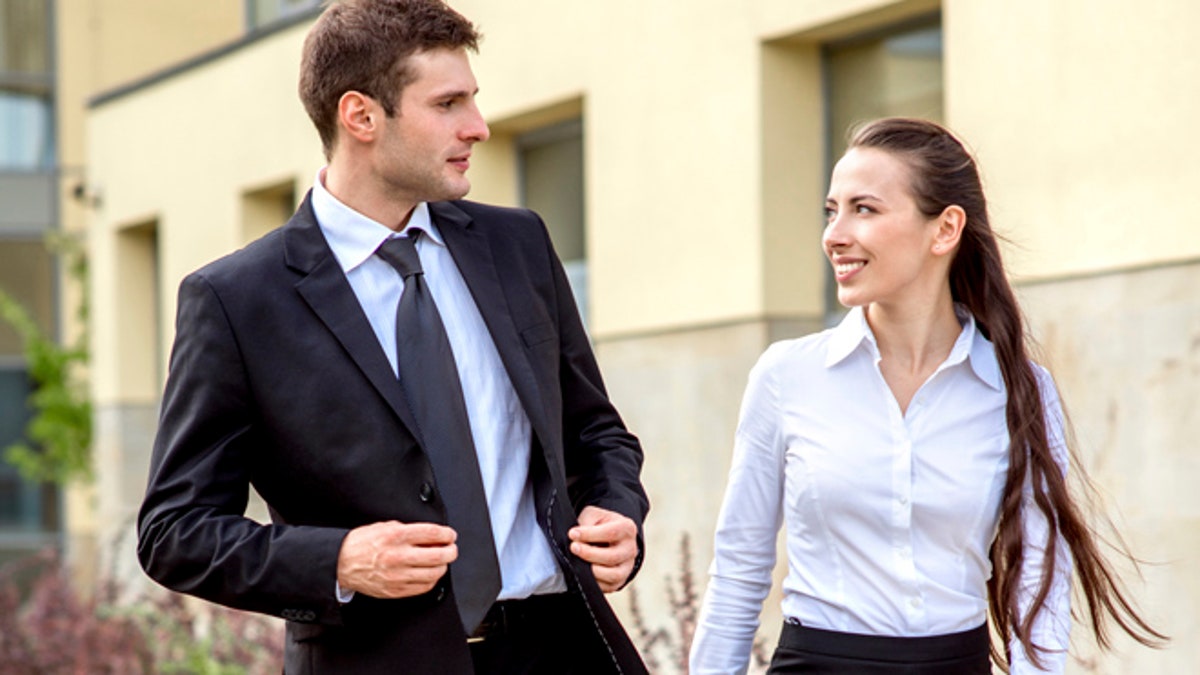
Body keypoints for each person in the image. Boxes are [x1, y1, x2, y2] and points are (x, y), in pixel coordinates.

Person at [136, 1, 650, 673]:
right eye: (448, 103)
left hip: (560, 649)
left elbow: (596, 432)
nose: (479, 126)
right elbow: (174, 530)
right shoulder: (236, 300)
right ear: (361, 117)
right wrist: (340, 560)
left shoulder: (517, 243)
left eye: (473, 100)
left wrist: (617, 511)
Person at [689, 117, 1164, 673]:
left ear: (945, 230)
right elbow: (740, 569)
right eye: (831, 210)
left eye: (863, 209)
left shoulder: (1020, 389)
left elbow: (1040, 577)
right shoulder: (786, 376)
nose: (835, 234)